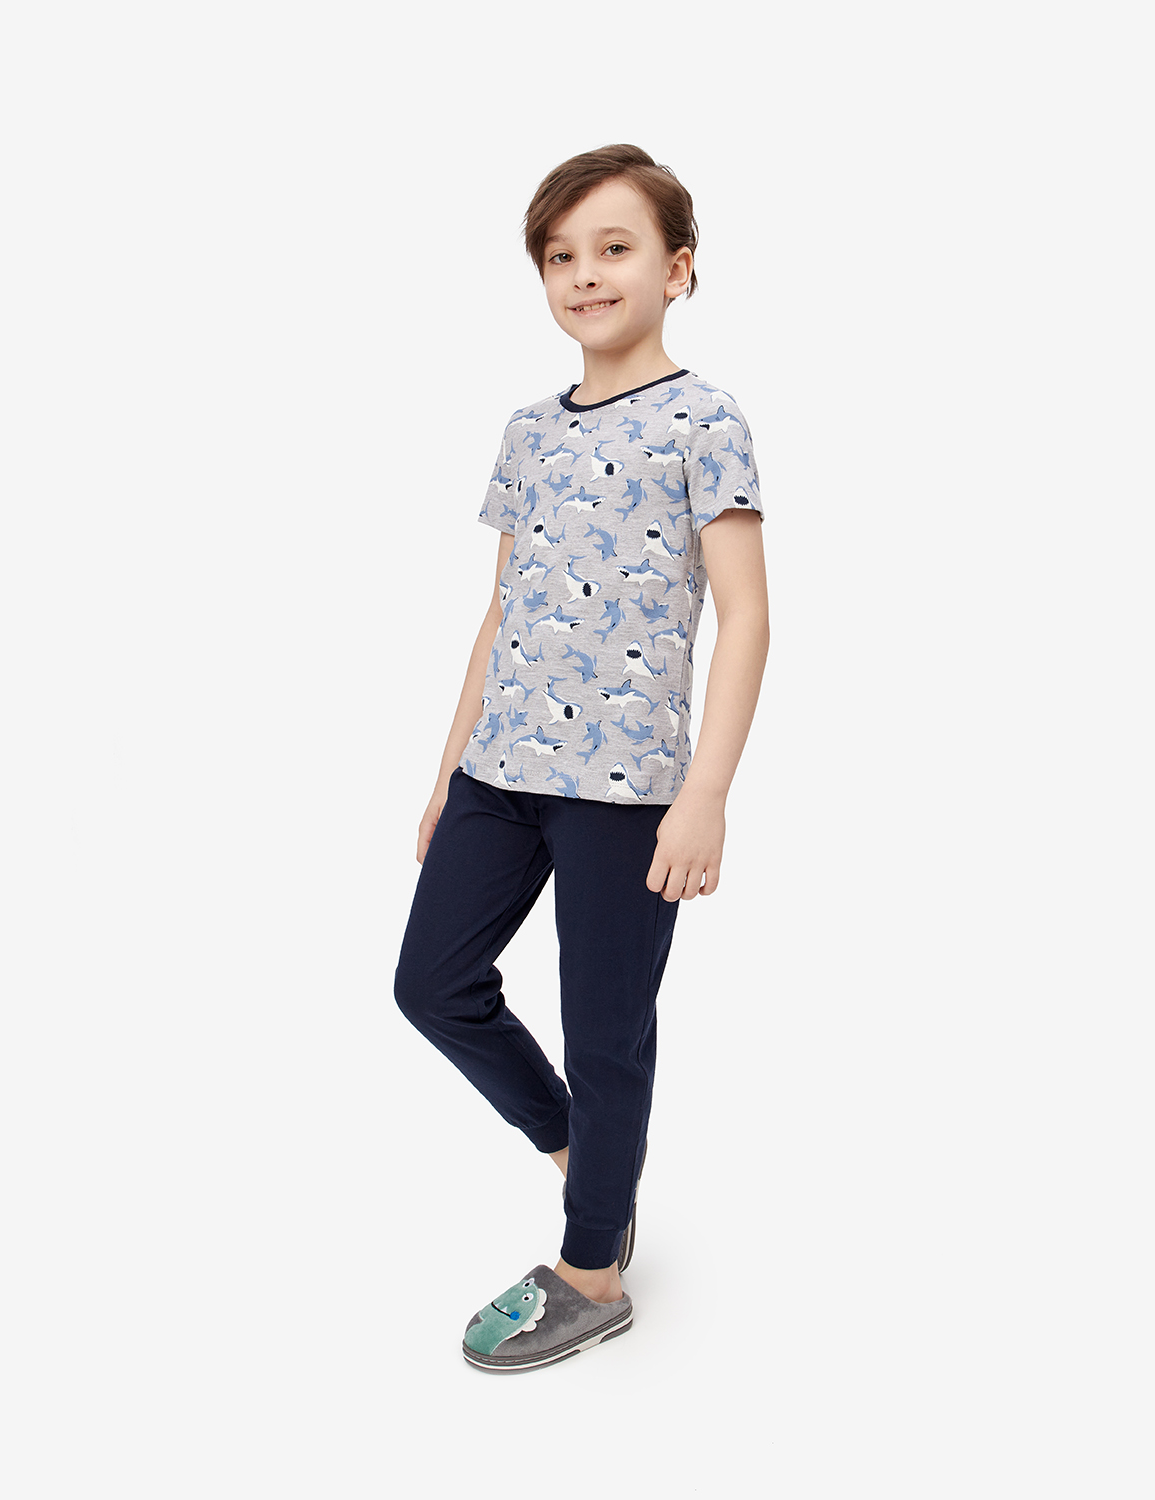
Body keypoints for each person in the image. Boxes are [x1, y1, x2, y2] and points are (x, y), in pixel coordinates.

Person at [393, 143, 770, 1373]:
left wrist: (706, 795)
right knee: (432, 984)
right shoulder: (525, 430)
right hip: (501, 773)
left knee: (608, 1032)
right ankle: (584, 1152)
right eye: (562, 255)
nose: (586, 274)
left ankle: (593, 1271)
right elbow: (502, 611)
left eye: (614, 248)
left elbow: (747, 616)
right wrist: (448, 771)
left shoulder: (704, 419)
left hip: (625, 794)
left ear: (678, 268)